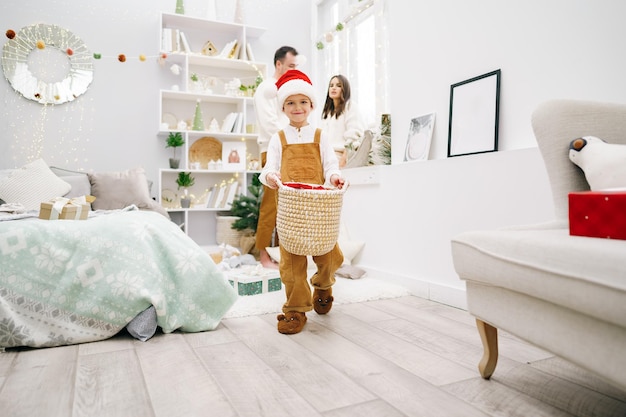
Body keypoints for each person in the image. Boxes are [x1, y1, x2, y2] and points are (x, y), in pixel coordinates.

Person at [260, 69, 346, 335]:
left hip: (318, 210)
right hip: (291, 212)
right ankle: (295, 309)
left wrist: (335, 177)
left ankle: (323, 284)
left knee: (330, 256)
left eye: (303, 102)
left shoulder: (320, 136)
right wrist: (272, 176)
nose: (297, 108)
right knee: (292, 264)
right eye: (290, 103)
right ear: (283, 107)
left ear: (311, 105)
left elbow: (331, 166)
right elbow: (267, 169)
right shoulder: (279, 138)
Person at [254, 46, 299, 269]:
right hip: (273, 152)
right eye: (290, 66)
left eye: (296, 66)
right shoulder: (267, 89)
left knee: (287, 206)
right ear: (278, 64)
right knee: (271, 206)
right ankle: (263, 256)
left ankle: (284, 256)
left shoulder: (285, 91)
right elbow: (270, 124)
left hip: (288, 151)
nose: (293, 70)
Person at [319, 74, 366, 168]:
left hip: (340, 156)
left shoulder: (350, 107)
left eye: (338, 85)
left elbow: (354, 136)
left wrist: (344, 159)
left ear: (345, 89)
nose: (333, 88)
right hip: (325, 156)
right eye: (331, 85)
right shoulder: (327, 113)